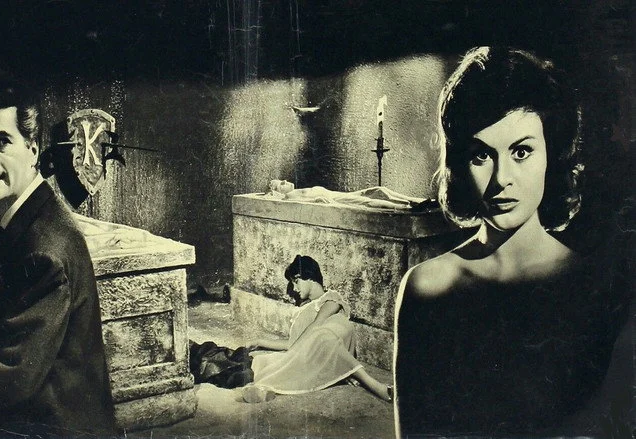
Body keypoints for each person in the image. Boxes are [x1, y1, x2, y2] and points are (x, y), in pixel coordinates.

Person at [393, 47, 626, 437]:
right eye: (481, 155)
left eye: (521, 151)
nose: (502, 179)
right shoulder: (427, 288)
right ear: (458, 163)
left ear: (552, 155)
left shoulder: (595, 286)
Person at [0, 69, 115, 435]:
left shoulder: (45, 248)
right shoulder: (25, 221)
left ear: (32, 149)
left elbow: (11, 376)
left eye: (1, 142)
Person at [190, 255, 392, 403]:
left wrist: (292, 354)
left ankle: (375, 385)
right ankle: (206, 359)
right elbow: (293, 343)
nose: (294, 289)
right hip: (319, 345)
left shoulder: (331, 298)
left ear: (309, 277)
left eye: (296, 281)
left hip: (331, 338)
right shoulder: (305, 311)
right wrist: (261, 342)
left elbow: (317, 325)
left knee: (313, 344)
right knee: (253, 362)